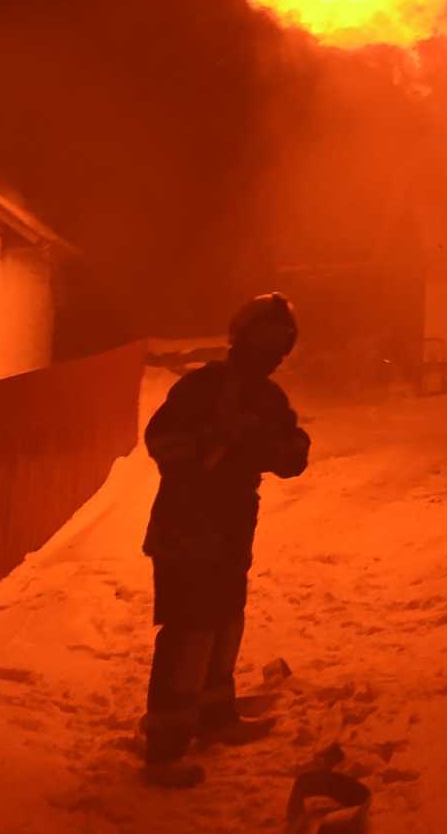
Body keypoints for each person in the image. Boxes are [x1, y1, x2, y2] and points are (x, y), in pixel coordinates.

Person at [138, 293, 312, 788]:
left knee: (224, 624)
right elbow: (161, 442)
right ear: (243, 337)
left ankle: (215, 719)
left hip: (232, 529)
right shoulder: (203, 387)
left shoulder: (267, 398)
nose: (273, 352)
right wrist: (211, 443)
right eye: (267, 340)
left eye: (281, 344)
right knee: (190, 633)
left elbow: (295, 454)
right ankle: (164, 749)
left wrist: (266, 444)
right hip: (185, 528)